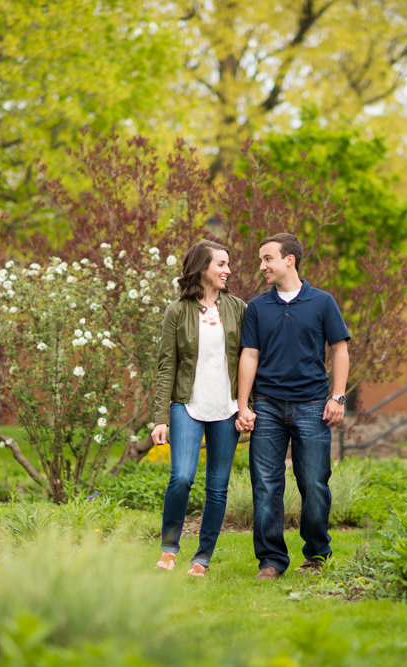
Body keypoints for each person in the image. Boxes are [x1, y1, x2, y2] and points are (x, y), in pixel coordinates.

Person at [236, 232, 350, 580]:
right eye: (261, 259)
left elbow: (340, 349)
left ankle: (316, 554)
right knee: (266, 485)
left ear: (290, 259)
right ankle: (271, 561)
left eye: (267, 258)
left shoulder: (322, 302)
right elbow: (249, 355)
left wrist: (338, 396)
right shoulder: (257, 307)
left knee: (314, 483)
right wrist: (243, 405)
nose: (262, 266)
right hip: (268, 406)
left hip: (314, 404)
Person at [151, 240, 246, 577]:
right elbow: (167, 366)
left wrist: (247, 406)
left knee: (217, 487)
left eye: (228, 264)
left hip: (227, 407)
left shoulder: (238, 308)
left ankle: (202, 558)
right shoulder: (177, 311)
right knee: (181, 478)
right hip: (186, 405)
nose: (227, 270)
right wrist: (160, 418)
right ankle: (169, 549)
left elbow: (250, 361)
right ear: (203, 267)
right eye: (221, 264)